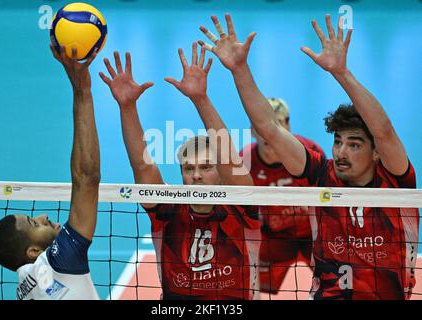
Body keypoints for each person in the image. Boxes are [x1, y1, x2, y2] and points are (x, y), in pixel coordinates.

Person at [199, 13, 419, 300]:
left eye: (354, 145)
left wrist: (342, 73)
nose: (340, 151)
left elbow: (385, 131)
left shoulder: (396, 180)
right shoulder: (321, 173)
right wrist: (239, 69)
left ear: (376, 152)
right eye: (338, 142)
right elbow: (269, 129)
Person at [99, 44, 261, 300]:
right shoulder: (167, 211)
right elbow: (142, 166)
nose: (196, 175)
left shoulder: (243, 209)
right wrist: (127, 107)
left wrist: (200, 99)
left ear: (220, 173)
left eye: (206, 167)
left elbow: (230, 161)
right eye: (188, 168)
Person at [0, 45, 101, 300]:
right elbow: (87, 179)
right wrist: (82, 90)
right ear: (32, 250)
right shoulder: (58, 263)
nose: (43, 216)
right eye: (33, 223)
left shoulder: (25, 288)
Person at [240, 97, 325, 293]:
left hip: (313, 234)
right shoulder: (244, 162)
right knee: (250, 286)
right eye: (262, 125)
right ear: (252, 130)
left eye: (277, 124)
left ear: (288, 125)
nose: (269, 133)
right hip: (273, 237)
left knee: (336, 283)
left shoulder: (309, 151)